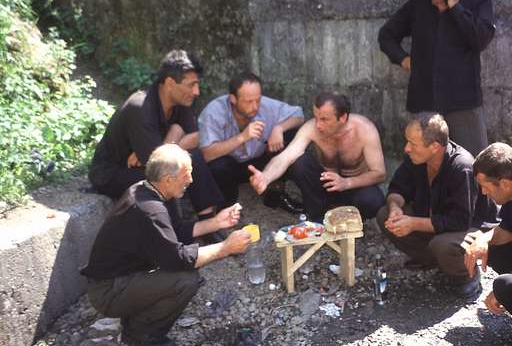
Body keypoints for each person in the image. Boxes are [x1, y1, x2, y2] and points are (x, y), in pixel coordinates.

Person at [81, 144, 251, 346]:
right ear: (168, 179)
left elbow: (175, 231)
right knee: (186, 279)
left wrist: (215, 223)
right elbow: (178, 259)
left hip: (123, 278)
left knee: (186, 271)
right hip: (108, 292)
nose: (190, 180)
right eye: (186, 175)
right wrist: (225, 248)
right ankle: (139, 332)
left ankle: (136, 311)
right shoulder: (149, 211)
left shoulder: (149, 189)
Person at [88, 49, 223, 220]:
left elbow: (195, 136)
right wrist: (176, 136)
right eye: (191, 85)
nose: (196, 91)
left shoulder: (180, 101)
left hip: (147, 162)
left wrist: (172, 139)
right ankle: (175, 234)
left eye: (197, 84)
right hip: (113, 173)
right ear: (170, 83)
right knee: (168, 175)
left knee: (193, 157)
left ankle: (209, 221)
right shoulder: (140, 108)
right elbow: (159, 166)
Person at [378, 0, 495, 157]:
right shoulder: (418, 5)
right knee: (423, 161)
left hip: (462, 101)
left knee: (473, 160)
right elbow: (387, 35)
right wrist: (404, 59)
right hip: (425, 100)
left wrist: (456, 9)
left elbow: (481, 39)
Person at [376, 112, 487, 299]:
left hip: (469, 228)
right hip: (435, 219)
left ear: (435, 146)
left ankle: (467, 274)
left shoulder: (461, 167)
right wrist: (395, 208)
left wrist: (413, 223)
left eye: (413, 144)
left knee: (441, 245)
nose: (406, 148)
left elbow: (459, 220)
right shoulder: (417, 159)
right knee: (384, 214)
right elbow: (397, 189)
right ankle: (432, 261)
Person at [248, 91, 385, 222]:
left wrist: (346, 183)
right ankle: (317, 216)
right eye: (316, 117)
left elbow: (379, 174)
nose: (318, 125)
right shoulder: (311, 128)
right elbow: (285, 157)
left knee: (373, 201)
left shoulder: (364, 129)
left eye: (324, 119)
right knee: (299, 163)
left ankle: (349, 219)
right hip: (325, 186)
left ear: (342, 118)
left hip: (354, 186)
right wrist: (265, 177)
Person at [198, 71, 304, 213]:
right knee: (218, 165)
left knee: (290, 135)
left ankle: (275, 194)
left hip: (258, 162)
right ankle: (227, 205)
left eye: (258, 100)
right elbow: (207, 154)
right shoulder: (214, 112)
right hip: (231, 166)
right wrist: (242, 137)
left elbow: (298, 115)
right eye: (248, 102)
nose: (255, 106)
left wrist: (279, 128)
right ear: (233, 99)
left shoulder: (263, 104)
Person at [462, 143, 512, 337]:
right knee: (492, 250)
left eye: (486, 187)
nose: (484, 193)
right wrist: (482, 241)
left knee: (505, 286)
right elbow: (504, 232)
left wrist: (499, 292)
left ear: (504, 183)